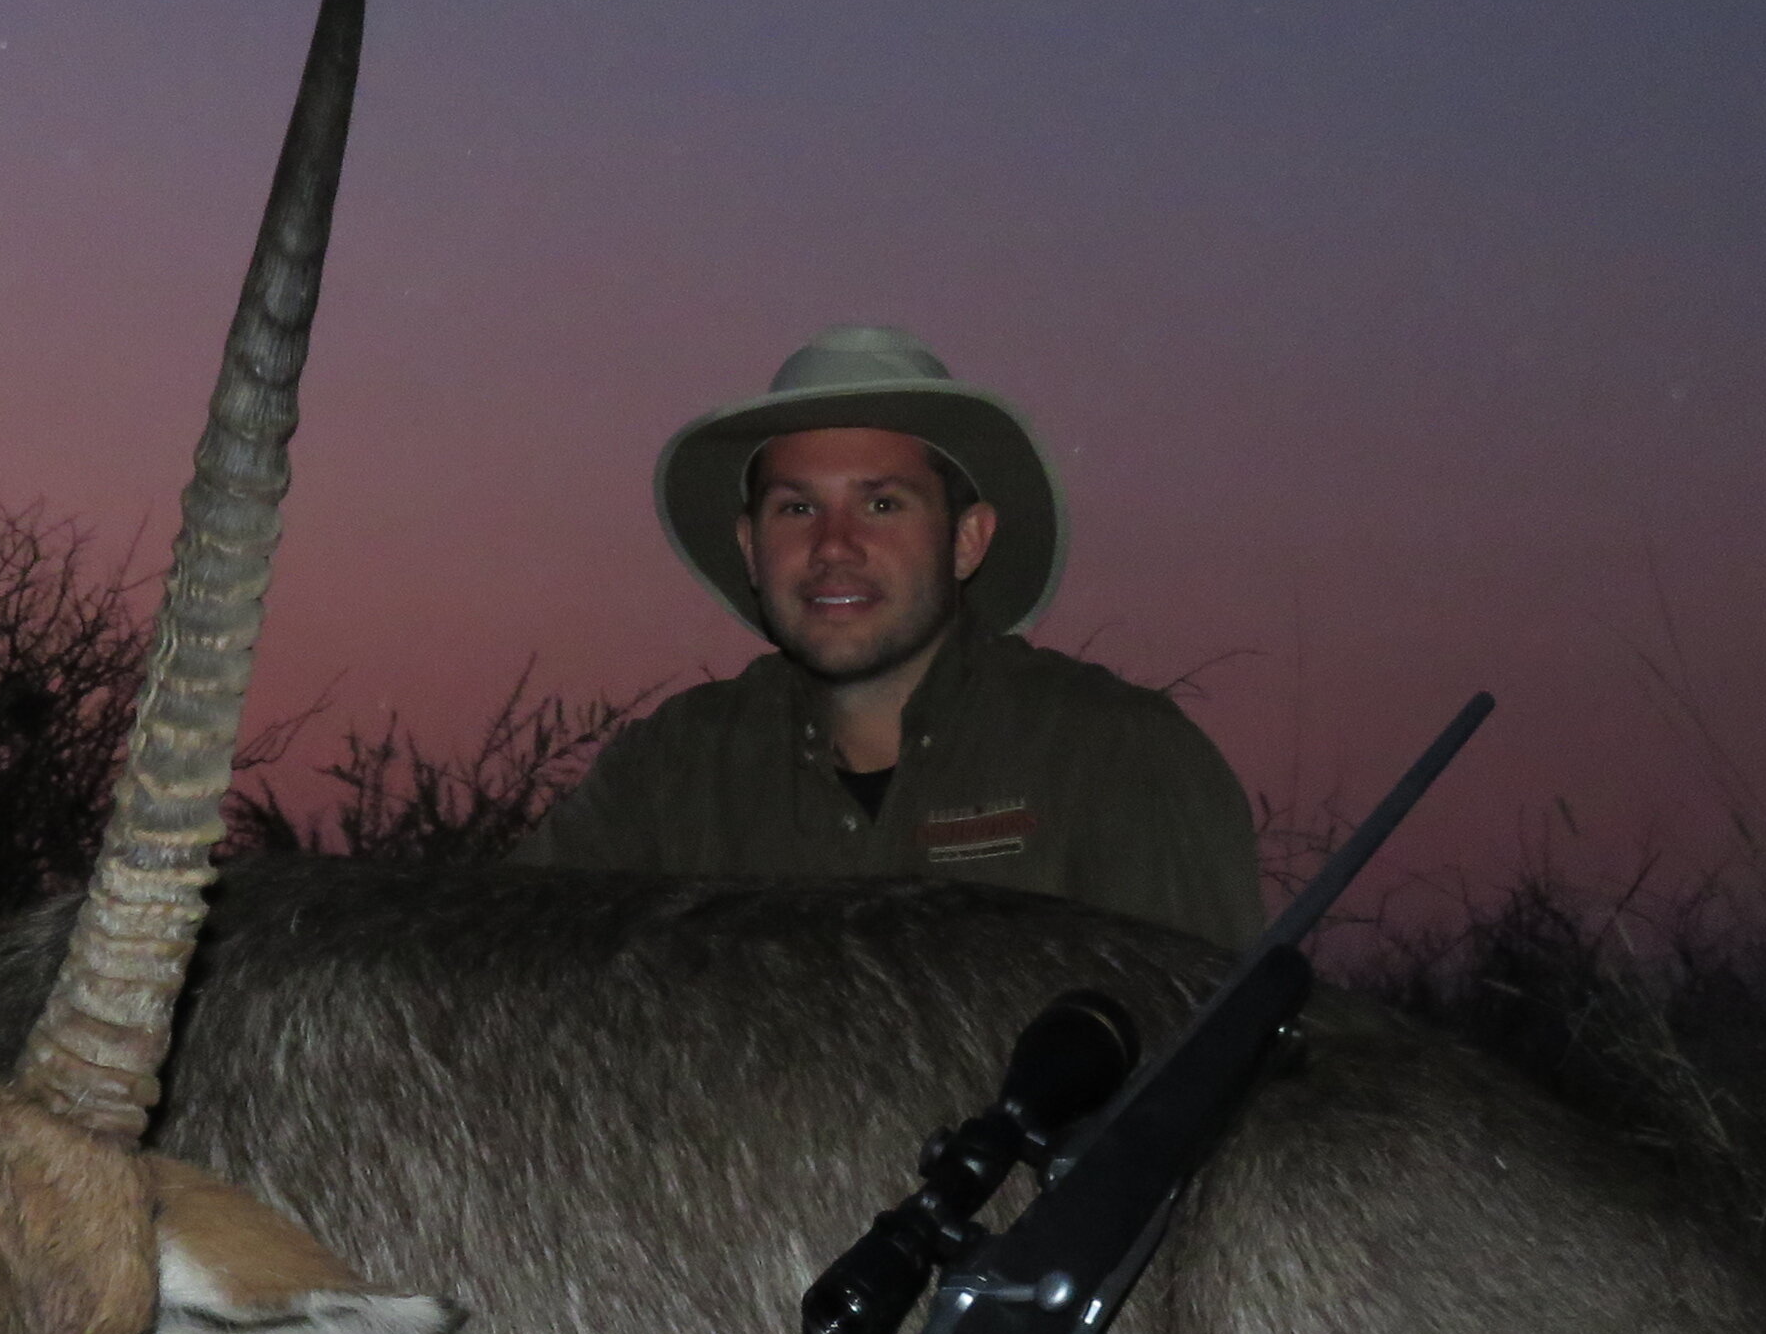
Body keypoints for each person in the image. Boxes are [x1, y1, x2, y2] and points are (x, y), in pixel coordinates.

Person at [514, 326, 1262, 946]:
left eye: (882, 505)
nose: (834, 546)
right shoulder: (665, 774)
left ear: (967, 541)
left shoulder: (1121, 756)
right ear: (751, 549)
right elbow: (507, 952)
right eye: (797, 510)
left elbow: (1213, 1055)